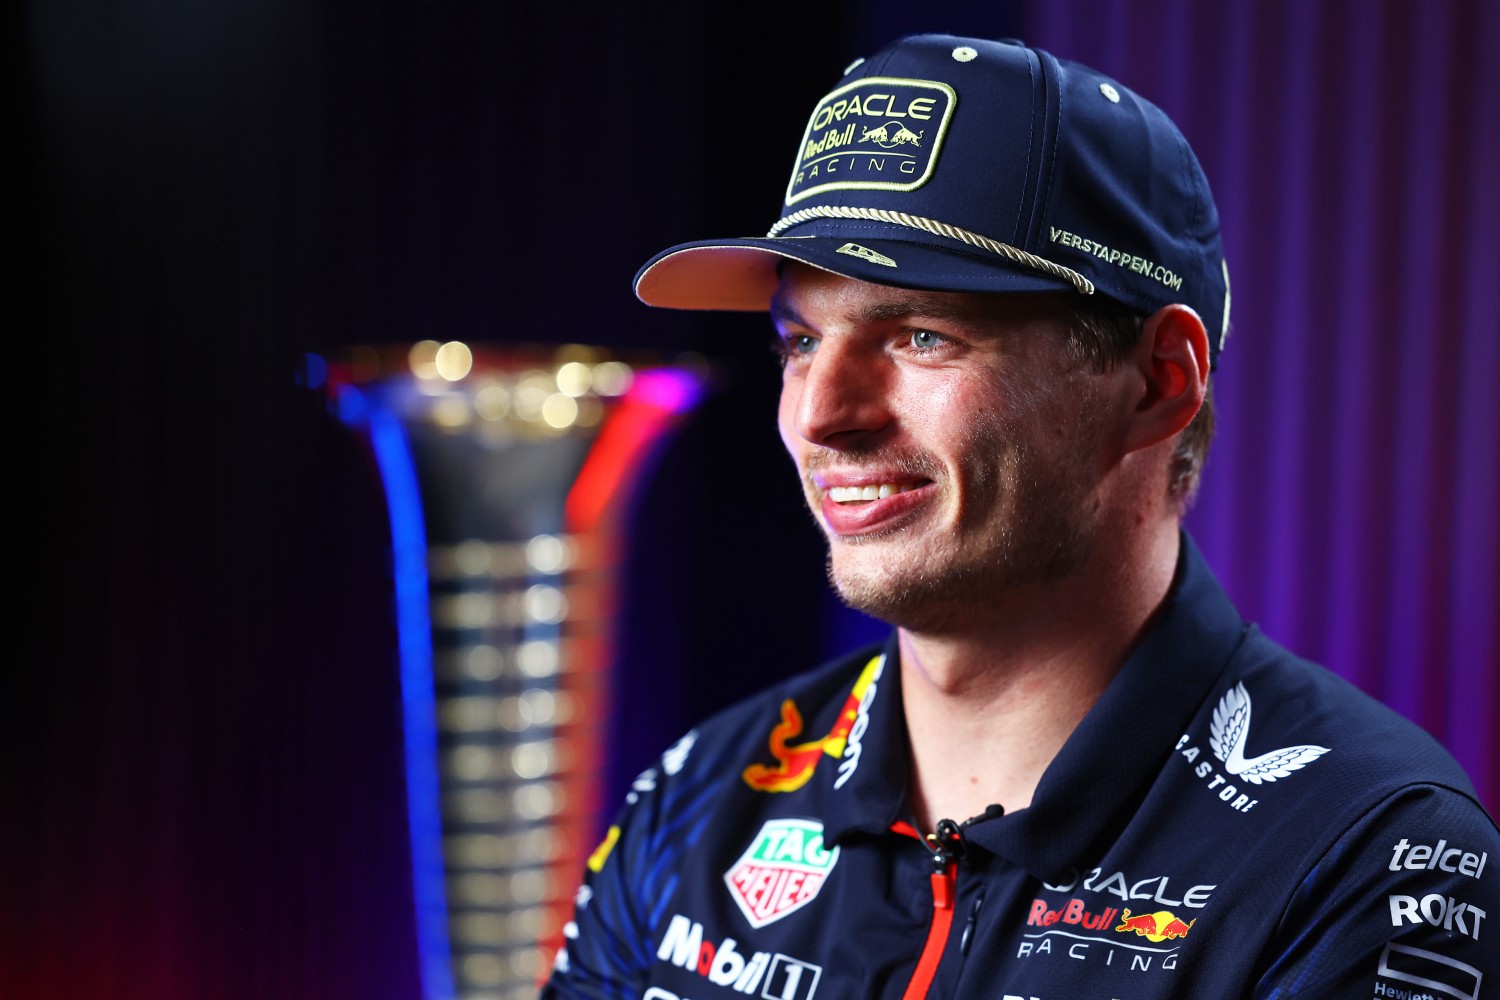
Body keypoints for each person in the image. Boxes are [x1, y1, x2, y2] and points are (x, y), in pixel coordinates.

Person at [543, 33, 1498, 999]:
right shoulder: (701, 797)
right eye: (800, 340)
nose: (820, 415)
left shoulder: (1367, 860)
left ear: (1157, 384)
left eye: (920, 334)